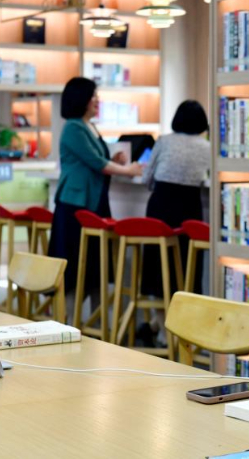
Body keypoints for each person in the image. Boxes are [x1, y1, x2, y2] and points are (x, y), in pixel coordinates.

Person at [48, 77, 142, 316]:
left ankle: (94, 323)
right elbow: (96, 162)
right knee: (74, 264)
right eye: (93, 96)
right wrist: (128, 170)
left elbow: (98, 159)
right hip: (75, 205)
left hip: (93, 203)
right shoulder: (73, 127)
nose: (97, 100)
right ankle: (68, 319)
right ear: (81, 99)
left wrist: (115, 160)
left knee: (93, 265)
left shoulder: (88, 126)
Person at [138, 100, 210, 346]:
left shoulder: (164, 141)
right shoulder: (207, 147)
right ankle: (184, 334)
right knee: (187, 270)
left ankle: (162, 331)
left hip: (160, 207)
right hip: (189, 210)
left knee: (157, 271)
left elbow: (146, 178)